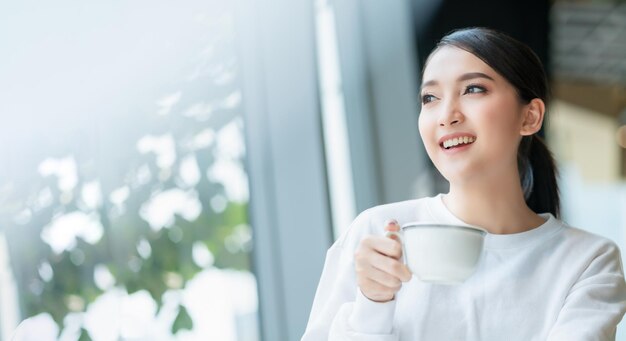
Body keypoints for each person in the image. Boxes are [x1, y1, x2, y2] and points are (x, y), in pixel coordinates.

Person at [301, 27, 626, 340]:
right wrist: (372, 304)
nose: (446, 115)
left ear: (530, 117)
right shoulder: (376, 235)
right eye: (430, 97)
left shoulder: (588, 260)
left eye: (473, 89)